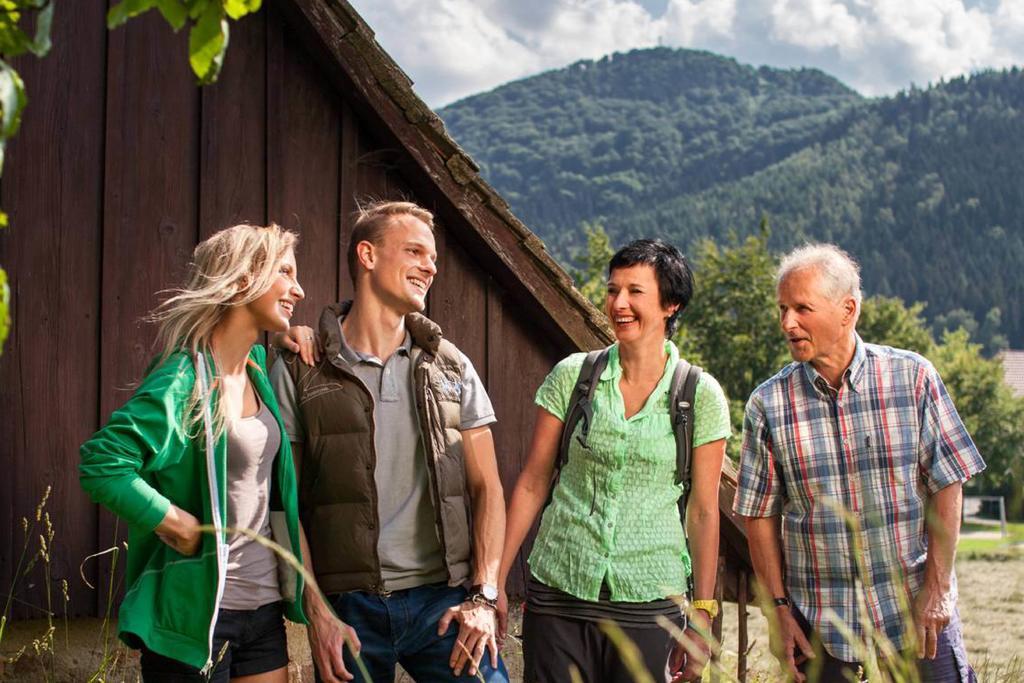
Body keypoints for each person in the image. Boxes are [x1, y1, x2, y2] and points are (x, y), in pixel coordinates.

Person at [270, 200, 509, 682]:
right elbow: (285, 505)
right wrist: (317, 614)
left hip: (445, 601)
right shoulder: (300, 367)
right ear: (368, 255)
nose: (430, 266)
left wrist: (482, 596)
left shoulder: (451, 365)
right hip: (348, 607)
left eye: (434, 258)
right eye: (416, 252)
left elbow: (488, 489)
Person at [733, 243, 985, 682]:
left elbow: (949, 483)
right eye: (782, 309)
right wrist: (778, 611)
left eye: (802, 309)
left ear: (847, 310)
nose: (787, 323)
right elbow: (759, 516)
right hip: (820, 628)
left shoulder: (914, 378)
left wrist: (939, 589)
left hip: (916, 611)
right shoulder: (767, 405)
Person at [79, 224, 309, 681]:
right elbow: (102, 463)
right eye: (286, 272)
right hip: (197, 616)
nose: (299, 289)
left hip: (262, 611)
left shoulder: (256, 370)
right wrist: (177, 523)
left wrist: (288, 332)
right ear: (243, 280)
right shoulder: (183, 379)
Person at [497, 239, 730, 682]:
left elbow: (702, 512)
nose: (618, 303)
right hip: (558, 595)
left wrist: (702, 615)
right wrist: (493, 584)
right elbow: (532, 482)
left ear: (671, 304)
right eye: (612, 290)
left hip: (650, 605)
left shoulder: (699, 396)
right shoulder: (572, 377)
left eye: (635, 292)